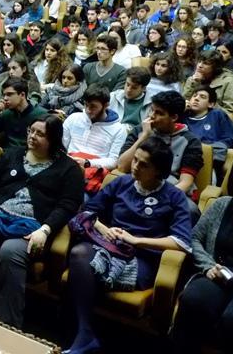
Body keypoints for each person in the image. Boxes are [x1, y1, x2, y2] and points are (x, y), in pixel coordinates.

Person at [65, 137, 192, 354]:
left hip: (142, 258)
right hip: (109, 246)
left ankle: (89, 335)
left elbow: (181, 242)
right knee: (79, 254)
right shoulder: (122, 182)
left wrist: (136, 240)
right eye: (135, 160)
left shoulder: (174, 197)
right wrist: (105, 229)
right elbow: (88, 211)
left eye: (144, 165)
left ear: (159, 171)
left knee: (86, 272)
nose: (135, 167)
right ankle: (85, 333)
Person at [0, 114, 84, 328]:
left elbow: (67, 205)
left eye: (40, 134)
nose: (32, 136)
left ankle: (7, 325)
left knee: (10, 252)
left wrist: (45, 230)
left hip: (32, 228)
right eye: (31, 131)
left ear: (54, 139)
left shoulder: (70, 169)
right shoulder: (13, 154)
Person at [170, 166, 233, 354]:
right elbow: (194, 237)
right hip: (219, 273)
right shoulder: (223, 205)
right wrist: (207, 266)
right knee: (194, 300)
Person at [117, 91, 203, 222]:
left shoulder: (190, 141)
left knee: (190, 211)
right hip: (138, 182)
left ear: (174, 117)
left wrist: (160, 196)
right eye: (152, 110)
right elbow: (122, 167)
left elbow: (186, 182)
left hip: (171, 189)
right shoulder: (140, 130)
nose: (152, 116)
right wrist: (144, 136)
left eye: (159, 113)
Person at [63, 84, 127, 194]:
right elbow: (62, 146)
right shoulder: (74, 118)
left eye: (93, 106)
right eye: (86, 105)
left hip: (92, 173)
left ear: (106, 105)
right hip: (67, 166)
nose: (87, 110)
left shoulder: (118, 129)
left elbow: (113, 161)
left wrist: (87, 163)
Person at [185, 85, 233, 172]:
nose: (196, 99)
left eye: (202, 97)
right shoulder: (182, 116)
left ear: (210, 104)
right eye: (194, 95)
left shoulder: (217, 115)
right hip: (184, 157)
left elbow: (229, 138)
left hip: (210, 160)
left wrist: (208, 150)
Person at [182, 49, 233, 121]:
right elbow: (184, 101)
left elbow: (230, 114)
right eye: (199, 61)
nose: (199, 65)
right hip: (193, 119)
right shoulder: (192, 79)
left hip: (218, 122)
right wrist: (194, 84)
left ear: (216, 67)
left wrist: (208, 103)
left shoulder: (229, 82)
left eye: (205, 63)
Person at [0, 77, 48, 149]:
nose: (5, 98)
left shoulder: (42, 115)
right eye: (4, 95)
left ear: (22, 95)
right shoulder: (6, 114)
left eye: (9, 94)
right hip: (8, 155)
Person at [109, 66, 153, 133]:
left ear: (143, 88)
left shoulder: (151, 104)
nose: (129, 90)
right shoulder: (113, 96)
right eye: (127, 84)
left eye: (134, 88)